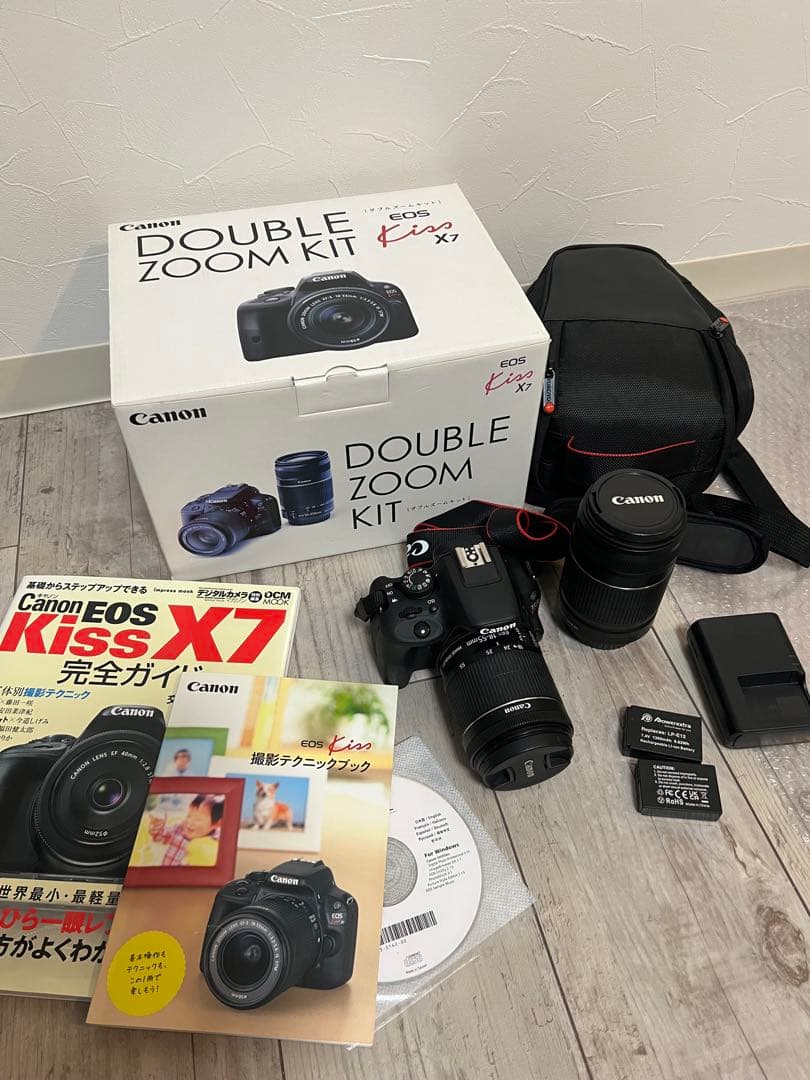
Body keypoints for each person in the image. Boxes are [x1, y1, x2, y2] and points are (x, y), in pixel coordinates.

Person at [148, 794, 224, 867]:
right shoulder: (180, 829)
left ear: (217, 824)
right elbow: (160, 835)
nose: (189, 822)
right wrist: (158, 827)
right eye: (188, 816)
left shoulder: (217, 842)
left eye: (197, 819)